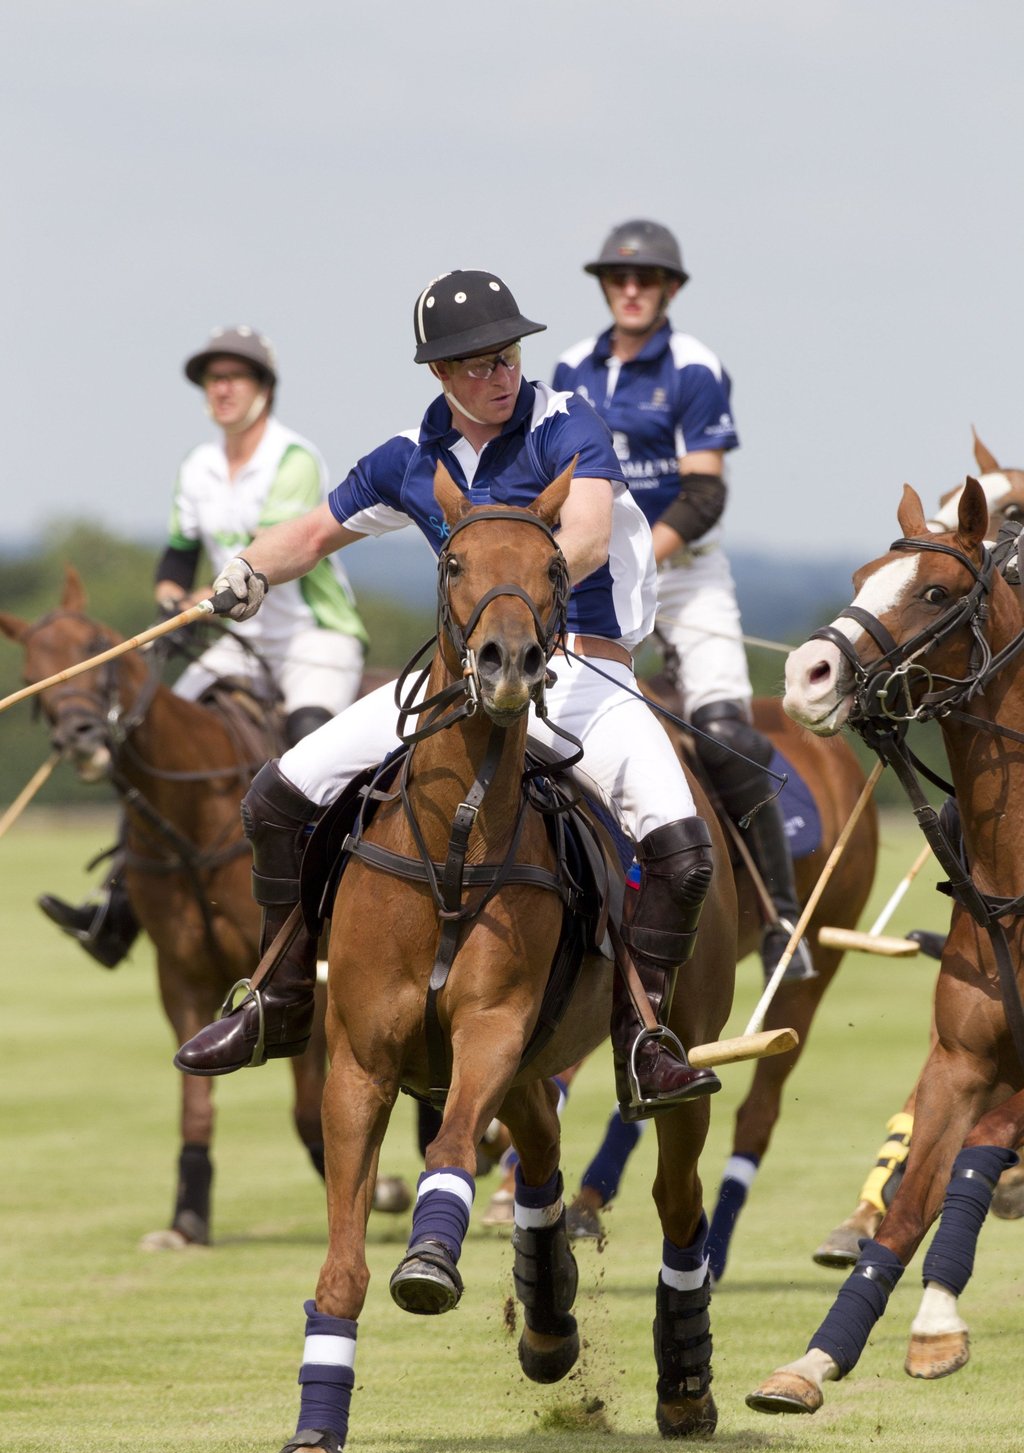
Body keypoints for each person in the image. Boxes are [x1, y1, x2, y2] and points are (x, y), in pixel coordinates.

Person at [174, 269, 721, 1122]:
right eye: (475, 365)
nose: (498, 376)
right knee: (276, 798)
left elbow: (579, 535)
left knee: (684, 851)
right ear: (438, 374)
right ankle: (278, 1003)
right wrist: (247, 571)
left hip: (579, 667)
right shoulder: (410, 455)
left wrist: (515, 589)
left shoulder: (567, 423)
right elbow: (314, 532)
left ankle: (644, 1040)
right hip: (452, 682)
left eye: (506, 357)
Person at [39, 325, 368, 968]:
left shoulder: (292, 457)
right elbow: (180, 548)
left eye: (234, 377)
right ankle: (115, 904)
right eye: (212, 379)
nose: (220, 389)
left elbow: (274, 545)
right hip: (235, 637)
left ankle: (334, 904)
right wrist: (170, 593)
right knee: (144, 730)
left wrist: (203, 595)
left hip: (312, 638)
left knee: (312, 746)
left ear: (263, 389)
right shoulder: (198, 467)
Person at [552, 220, 814, 985]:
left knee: (726, 729)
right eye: (619, 279)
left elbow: (703, 494)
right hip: (591, 576)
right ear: (605, 286)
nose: (632, 290)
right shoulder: (569, 368)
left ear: (669, 289)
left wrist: (640, 558)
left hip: (686, 572)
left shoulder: (695, 368)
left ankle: (781, 919)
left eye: (648, 280)